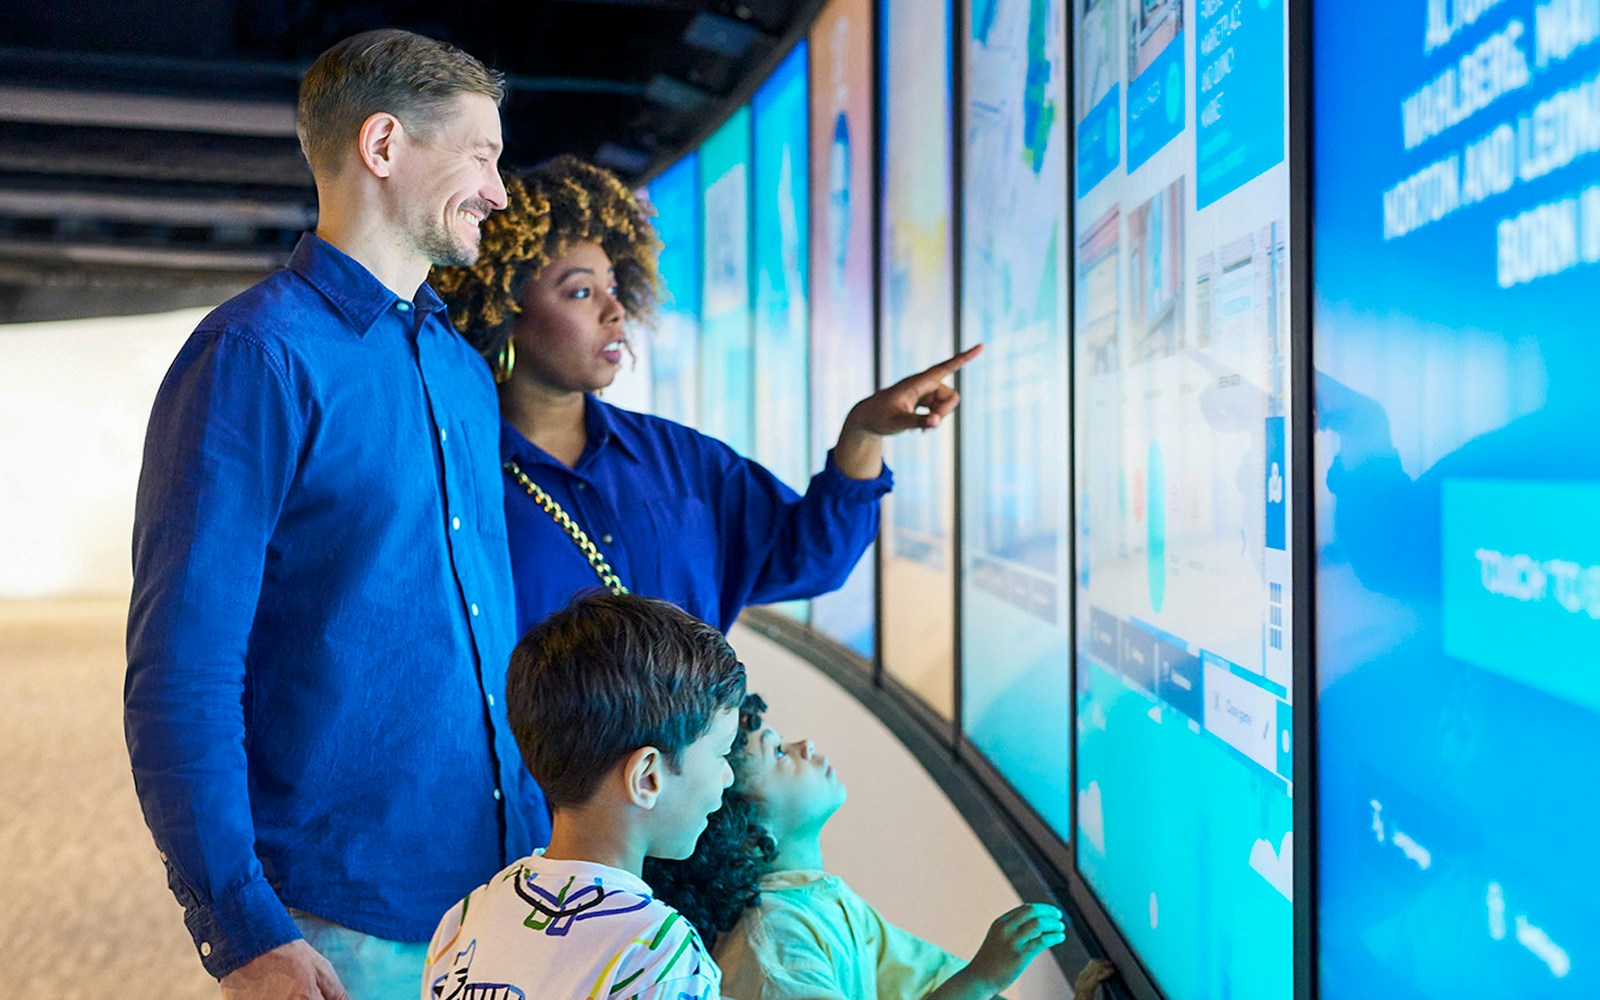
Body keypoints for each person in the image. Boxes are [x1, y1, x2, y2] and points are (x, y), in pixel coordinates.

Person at [124, 29, 541, 999]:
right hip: (339, 925)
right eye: (481, 155)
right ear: (384, 146)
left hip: (501, 902)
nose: (499, 190)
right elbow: (182, 671)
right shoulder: (253, 359)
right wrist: (240, 925)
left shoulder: (462, 373)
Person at [431, 155, 982, 640]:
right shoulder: (452, 475)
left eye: (614, 288)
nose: (614, 310)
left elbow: (808, 559)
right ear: (502, 309)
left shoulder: (681, 460)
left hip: (686, 760)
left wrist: (861, 432)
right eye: (580, 291)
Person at [644, 695, 1114, 1000]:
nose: (806, 745)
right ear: (745, 829)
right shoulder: (777, 945)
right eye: (780, 754)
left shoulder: (816, 898)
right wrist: (983, 978)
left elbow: (922, 981)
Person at [420, 593, 747, 999]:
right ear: (647, 777)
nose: (728, 777)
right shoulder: (659, 955)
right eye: (721, 752)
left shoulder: (464, 921)